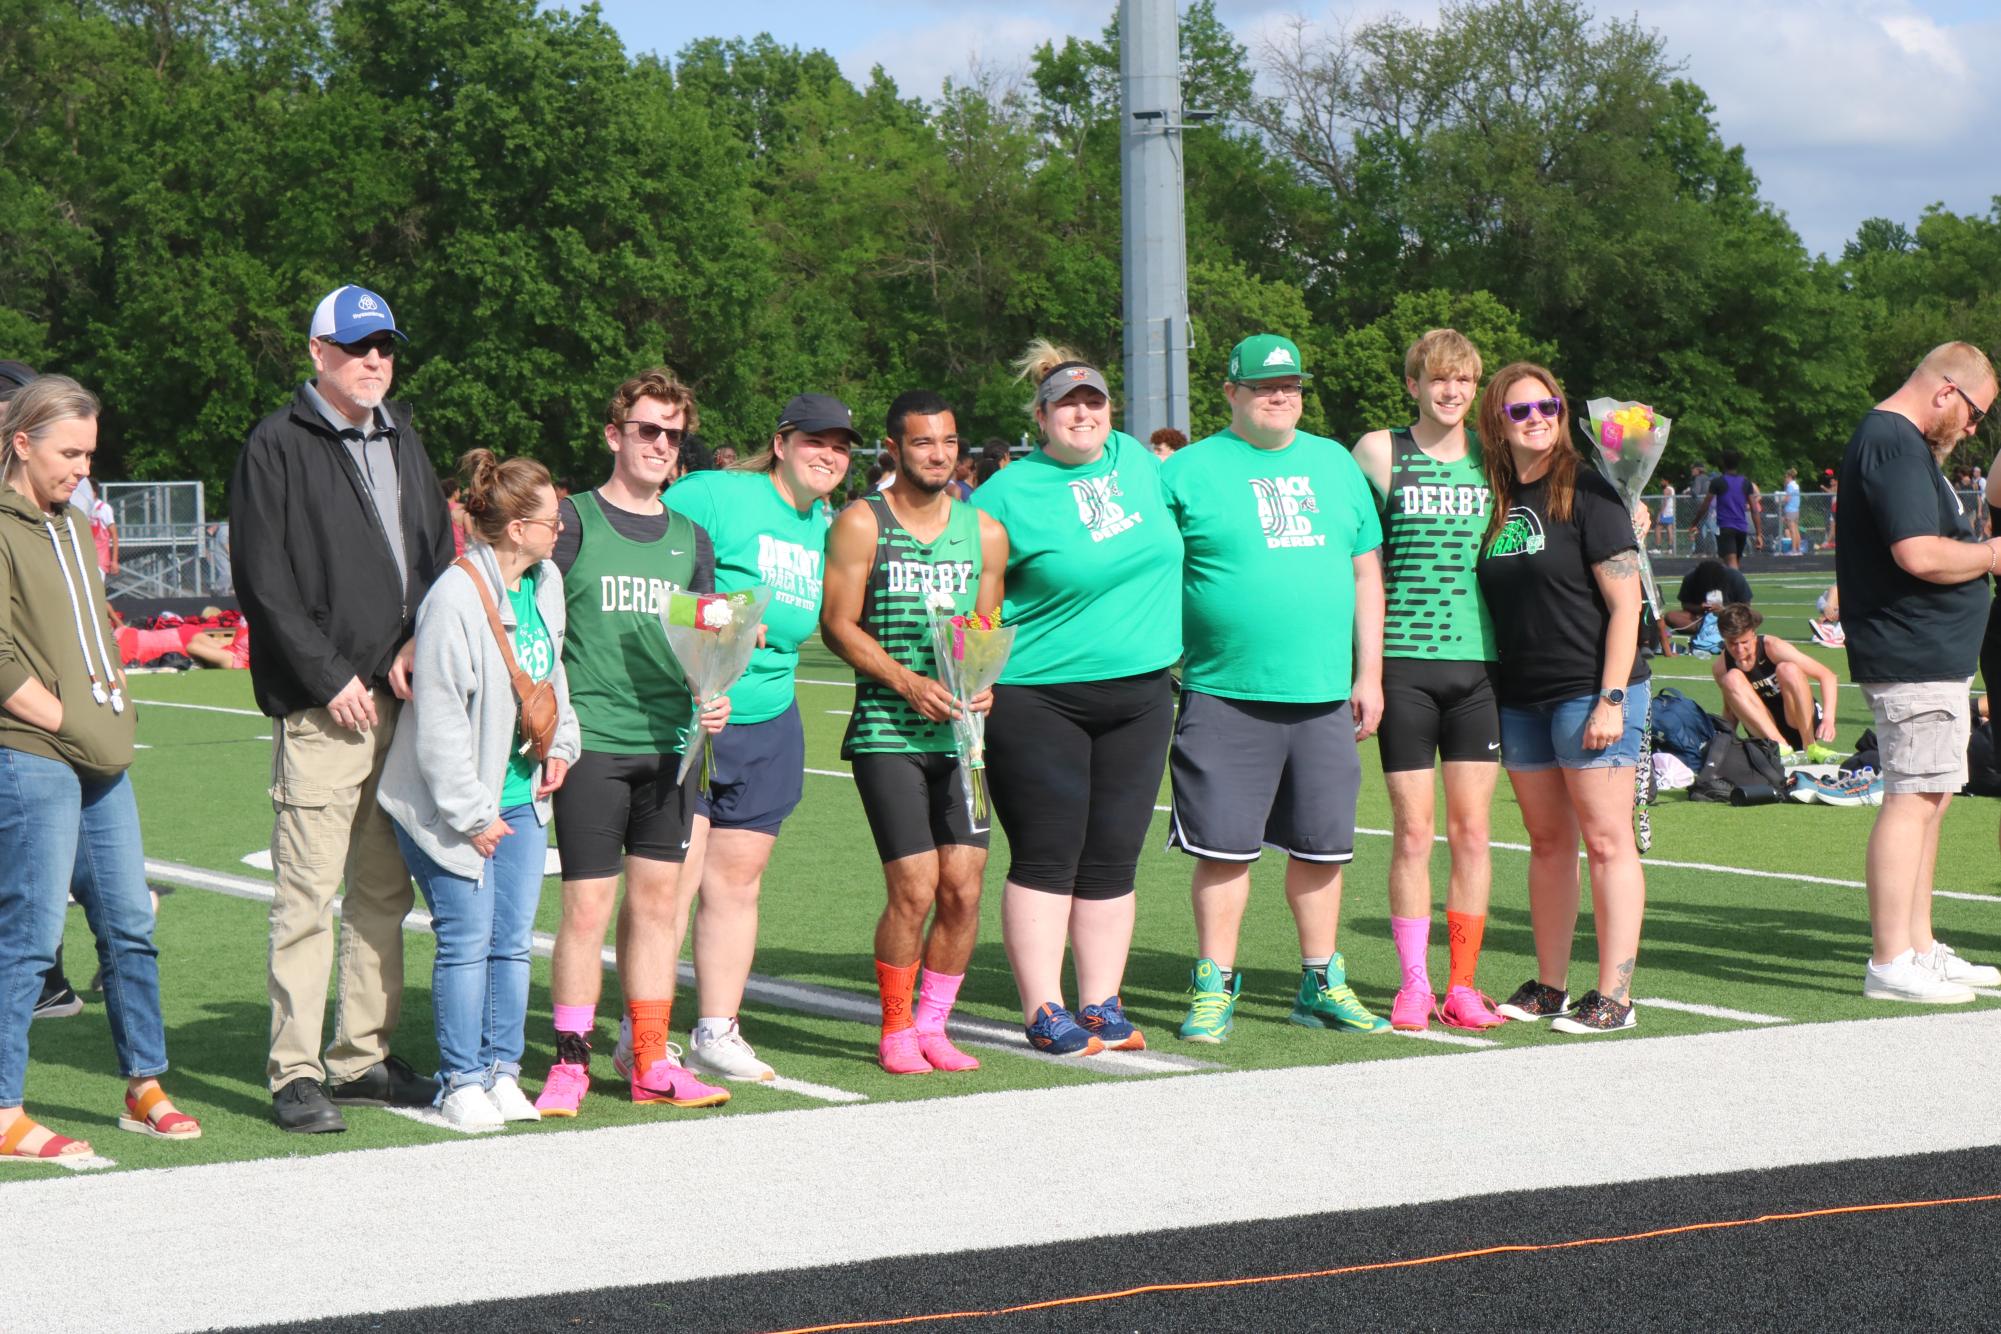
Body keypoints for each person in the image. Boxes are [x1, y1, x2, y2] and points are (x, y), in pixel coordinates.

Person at [230, 285, 456, 1133]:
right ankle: (294, 1072)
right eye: (359, 346)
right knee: (306, 895)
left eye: (386, 348)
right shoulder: (276, 443)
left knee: (380, 893)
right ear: (317, 352)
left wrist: (410, 648)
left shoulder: (404, 436)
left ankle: (359, 1059)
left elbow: (436, 558)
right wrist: (330, 677)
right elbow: (264, 582)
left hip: (397, 698)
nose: (375, 362)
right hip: (326, 709)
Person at [1165, 334, 1390, 1042]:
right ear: (1230, 392)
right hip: (1224, 689)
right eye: (1264, 386)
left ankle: (1321, 981)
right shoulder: (1188, 470)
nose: (1279, 396)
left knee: (1322, 850)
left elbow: (1365, 573)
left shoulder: (1332, 461)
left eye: (1290, 384)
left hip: (1321, 694)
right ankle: (1213, 984)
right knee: (1223, 851)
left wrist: (1369, 674)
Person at [0, 374, 201, 1162]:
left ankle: (143, 1084)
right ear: (22, 444)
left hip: (98, 757)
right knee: (29, 933)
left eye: (89, 453)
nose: (82, 469)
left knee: (128, 924)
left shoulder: (77, 525)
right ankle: (5, 1109)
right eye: (68, 453)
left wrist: (110, 710)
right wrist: (77, 722)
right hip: (32, 755)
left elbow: (90, 638)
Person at [972, 343, 1183, 1055]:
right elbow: (975, 599)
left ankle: (1099, 1002)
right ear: (1040, 417)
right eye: (1067, 404)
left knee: (1113, 856)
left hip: (1143, 692)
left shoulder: (1136, 460)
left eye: (1093, 401)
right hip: (1039, 697)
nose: (1083, 414)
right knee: (1046, 853)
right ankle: (1043, 1008)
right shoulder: (1005, 492)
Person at [536, 369, 731, 1115]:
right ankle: (570, 1063)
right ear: (614, 433)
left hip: (671, 749)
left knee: (657, 911)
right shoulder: (572, 520)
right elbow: (535, 627)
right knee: (586, 912)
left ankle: (650, 1056)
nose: (659, 445)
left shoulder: (692, 538)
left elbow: (707, 647)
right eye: (647, 429)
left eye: (672, 435)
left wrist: (716, 695)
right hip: (593, 746)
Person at [376, 452, 581, 1129]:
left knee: (513, 940)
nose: (562, 530)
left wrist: (562, 747)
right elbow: (436, 726)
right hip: (454, 804)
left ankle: (501, 1071)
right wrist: (471, 813)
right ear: (518, 528)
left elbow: (551, 674)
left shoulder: (545, 581)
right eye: (553, 520)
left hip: (522, 791)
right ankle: (460, 1077)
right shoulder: (455, 597)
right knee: (467, 937)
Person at [665, 394, 852, 1081]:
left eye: (840, 446)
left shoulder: (822, 526)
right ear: (781, 443)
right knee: (671, 887)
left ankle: (716, 1029)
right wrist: (726, 618)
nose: (829, 454)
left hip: (770, 720)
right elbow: (654, 565)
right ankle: (642, 1030)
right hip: (692, 715)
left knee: (736, 887)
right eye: (815, 441)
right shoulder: (715, 493)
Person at [821, 390, 1008, 1074]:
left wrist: (980, 678)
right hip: (888, 733)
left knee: (963, 888)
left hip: (965, 742)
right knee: (914, 889)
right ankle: (895, 1027)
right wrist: (906, 682)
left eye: (949, 442)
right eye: (924, 443)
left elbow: (981, 633)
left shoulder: (984, 532)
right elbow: (836, 623)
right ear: (893, 449)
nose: (939, 455)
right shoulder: (861, 523)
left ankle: (933, 1025)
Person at [1473, 363, 1650, 1035]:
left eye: (1545, 405)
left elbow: (1625, 604)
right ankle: (1550, 983)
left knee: (1606, 844)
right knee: (1547, 843)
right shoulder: (1492, 495)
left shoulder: (1590, 487)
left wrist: (1610, 698)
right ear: (1498, 422)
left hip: (1591, 691)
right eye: (1519, 411)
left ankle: (1616, 995)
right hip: (1521, 697)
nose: (1535, 418)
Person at [1348, 328, 1505, 1035]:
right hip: (1404, 669)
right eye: (1437, 379)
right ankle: (1412, 983)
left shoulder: (1494, 458)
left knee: (1472, 833)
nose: (1450, 392)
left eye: (1463, 381)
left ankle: (1462, 985)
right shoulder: (1379, 451)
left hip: (1479, 670)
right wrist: (1367, 674)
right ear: (1412, 384)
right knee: (1413, 834)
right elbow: (1357, 566)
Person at [1837, 343, 2001, 1004]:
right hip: (1910, 653)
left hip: (1930, 655)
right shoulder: (1894, 442)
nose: (1969, 432)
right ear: (1944, 391)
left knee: (1930, 797)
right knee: (1910, 799)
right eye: (1972, 417)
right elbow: (1916, 553)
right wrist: (1990, 553)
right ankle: (1889, 958)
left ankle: (1918, 945)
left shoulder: (1896, 443)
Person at [1711, 603, 1838, 759]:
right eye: (1732, 644)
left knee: (1788, 669)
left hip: (1798, 721)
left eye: (1744, 643)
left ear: (1753, 633)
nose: (1739, 650)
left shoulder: (1772, 647)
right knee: (1731, 679)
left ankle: (1811, 747)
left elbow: (1827, 675)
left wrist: (1828, 720)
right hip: (1765, 733)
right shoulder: (1721, 667)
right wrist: (1722, 744)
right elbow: (1731, 709)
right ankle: (1780, 748)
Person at [1689, 450, 1760, 567]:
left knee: (1731, 564)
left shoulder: (1718, 482)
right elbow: (1754, 510)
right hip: (1742, 528)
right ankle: (1730, 584)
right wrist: (1758, 533)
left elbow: (1705, 506)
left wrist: (1694, 523)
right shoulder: (1746, 482)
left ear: (1723, 463)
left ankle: (1736, 585)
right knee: (1732, 562)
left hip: (1726, 527)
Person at [1664, 558, 1753, 632]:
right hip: (1700, 619)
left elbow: (1746, 606)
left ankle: (1717, 629)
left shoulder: (1735, 577)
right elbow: (1685, 605)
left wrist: (1724, 609)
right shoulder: (1691, 578)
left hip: (1729, 618)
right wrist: (1699, 607)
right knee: (1670, 616)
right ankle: (1710, 629)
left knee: (1754, 616)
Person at [441, 477, 468, 557]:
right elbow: (469, 531)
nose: (460, 493)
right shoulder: (462, 509)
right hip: (459, 553)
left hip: (442, 552)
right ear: (454, 492)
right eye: (459, 491)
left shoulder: (438, 509)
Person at [1781, 469, 1803, 554]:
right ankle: (1798, 549)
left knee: (1792, 530)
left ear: (1789, 477)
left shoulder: (1790, 485)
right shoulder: (1796, 485)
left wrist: (1779, 500)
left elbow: (1787, 498)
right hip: (1796, 509)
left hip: (1790, 510)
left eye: (1786, 477)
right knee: (1796, 529)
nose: (1785, 478)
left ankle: (1794, 550)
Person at [1655, 480, 1677, 555]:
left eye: (1662, 481)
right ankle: (1670, 549)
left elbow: (1664, 503)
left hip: (1665, 513)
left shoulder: (1667, 490)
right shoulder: (1672, 489)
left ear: (1666, 481)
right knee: (1669, 529)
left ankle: (1658, 548)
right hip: (1670, 512)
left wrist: (1659, 514)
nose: (1660, 483)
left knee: (1658, 528)